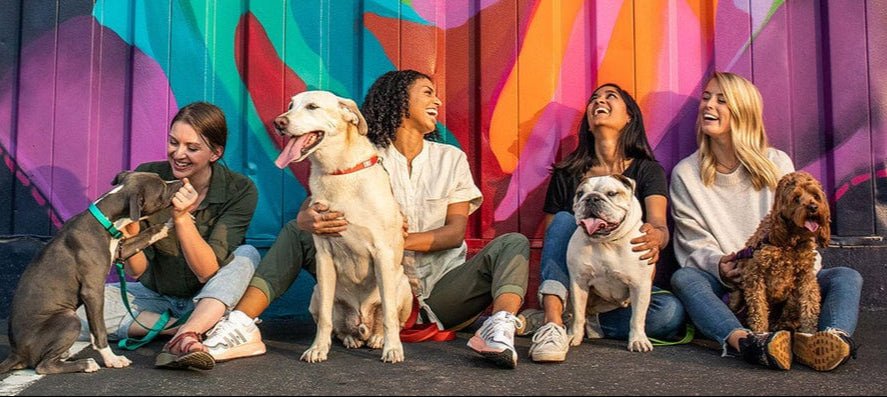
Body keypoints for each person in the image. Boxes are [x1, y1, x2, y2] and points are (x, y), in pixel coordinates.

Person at [204, 70, 531, 369]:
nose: (438, 101)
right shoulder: (360, 153)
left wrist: (390, 240)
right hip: (364, 282)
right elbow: (325, 199)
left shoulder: (451, 158)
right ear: (401, 101)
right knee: (297, 230)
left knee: (512, 243)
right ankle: (240, 324)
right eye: (428, 93)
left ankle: (498, 328)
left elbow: (455, 232)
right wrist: (307, 218)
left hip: (441, 290)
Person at [669, 71, 862, 371]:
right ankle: (748, 342)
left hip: (788, 273)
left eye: (721, 100)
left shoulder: (777, 163)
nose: (708, 105)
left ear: (743, 111)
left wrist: (800, 274)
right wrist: (719, 264)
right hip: (732, 284)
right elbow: (692, 241)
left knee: (846, 277)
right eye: (706, 98)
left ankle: (827, 339)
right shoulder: (687, 173)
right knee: (685, 279)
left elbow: (802, 229)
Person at [77, 102, 260, 370]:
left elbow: (207, 273)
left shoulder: (240, 189)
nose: (179, 154)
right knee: (78, 316)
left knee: (247, 256)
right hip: (157, 295)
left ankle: (191, 329)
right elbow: (138, 272)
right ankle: (187, 331)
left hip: (209, 296)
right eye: (173, 142)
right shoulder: (148, 177)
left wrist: (182, 217)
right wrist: (130, 236)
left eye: (192, 148)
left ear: (215, 153)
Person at [521, 83, 686, 363]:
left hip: (624, 277)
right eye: (594, 98)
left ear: (629, 116)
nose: (600, 100)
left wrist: (655, 236)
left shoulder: (646, 169)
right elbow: (554, 237)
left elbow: (659, 224)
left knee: (669, 313)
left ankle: (586, 325)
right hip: (583, 263)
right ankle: (552, 322)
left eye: (611, 96)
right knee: (562, 221)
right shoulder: (568, 171)